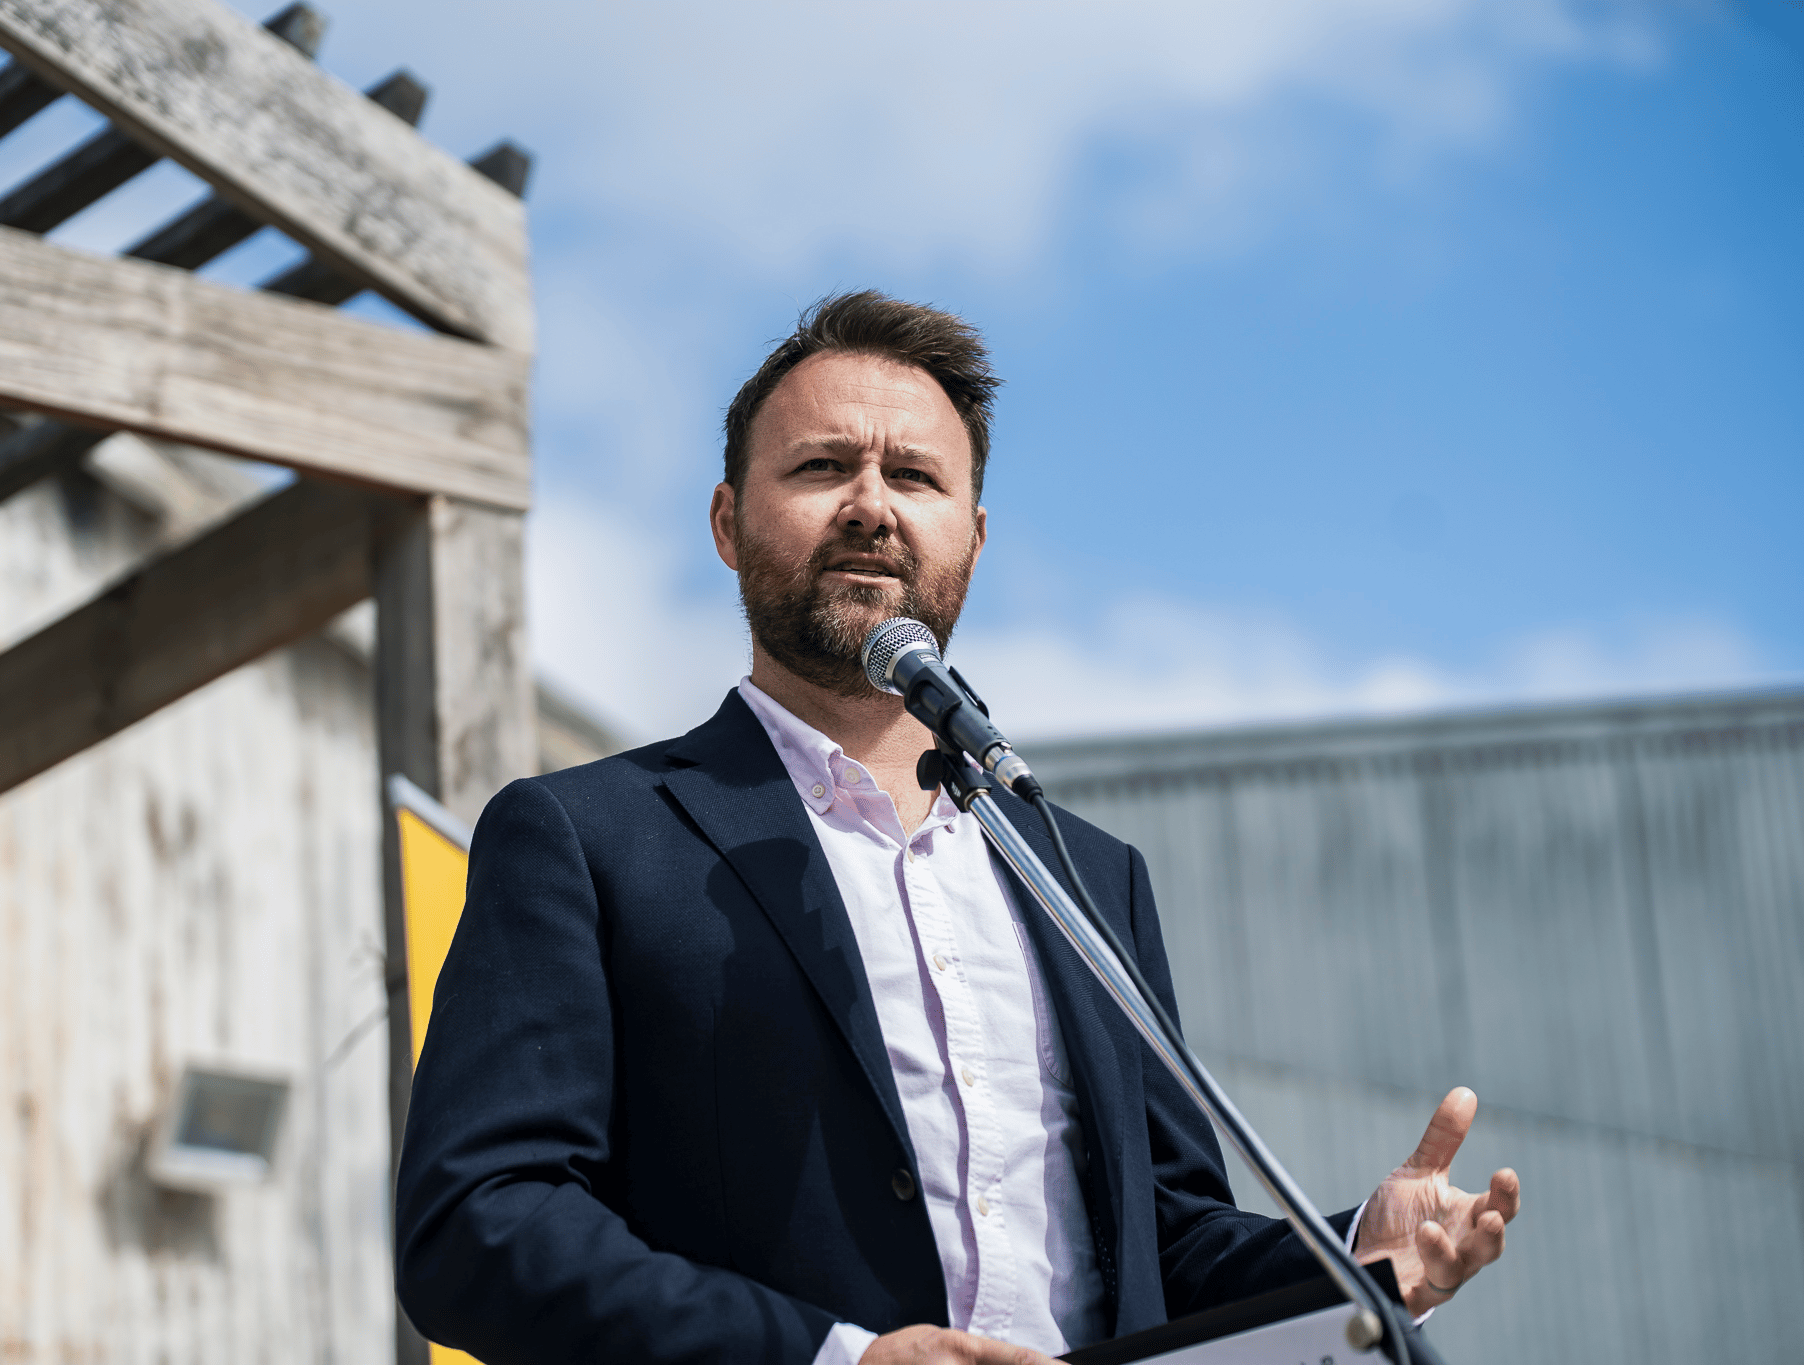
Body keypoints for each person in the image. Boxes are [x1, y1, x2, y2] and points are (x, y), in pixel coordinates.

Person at [395, 292, 1521, 1365]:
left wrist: (1346, 1257)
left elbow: (1163, 1245)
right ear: (729, 523)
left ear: (971, 538)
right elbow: (479, 1222)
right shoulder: (586, 839)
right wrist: (836, 1358)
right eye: (822, 466)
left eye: (914, 476)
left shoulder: (1085, 875)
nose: (871, 505)